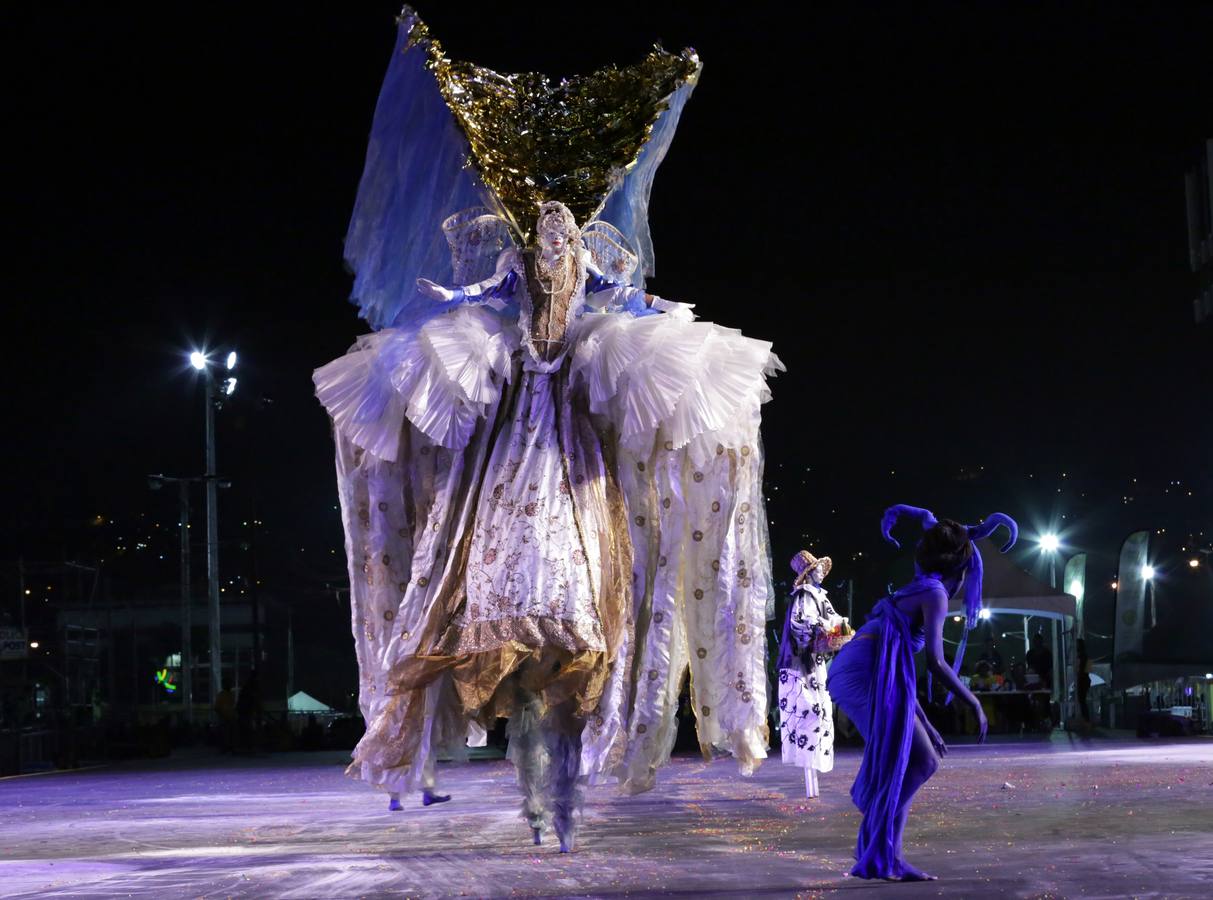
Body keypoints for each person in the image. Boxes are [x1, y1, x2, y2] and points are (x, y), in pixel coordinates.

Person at [314, 8, 780, 854]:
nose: (557, 242)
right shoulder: (513, 261)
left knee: (597, 539)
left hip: (560, 405)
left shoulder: (587, 257)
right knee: (488, 531)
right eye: (549, 234)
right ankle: (534, 772)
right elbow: (479, 295)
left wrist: (661, 310)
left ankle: (556, 780)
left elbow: (622, 294)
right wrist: (448, 301)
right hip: (526, 403)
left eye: (567, 232)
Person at [828, 504, 1017, 881]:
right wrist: (975, 701)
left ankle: (884, 853)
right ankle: (879, 850)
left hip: (864, 670)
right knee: (920, 762)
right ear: (963, 569)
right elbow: (935, 662)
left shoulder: (921, 589)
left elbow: (899, 669)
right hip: (860, 673)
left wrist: (925, 723)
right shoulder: (936, 594)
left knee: (914, 760)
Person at [776, 551, 850, 798]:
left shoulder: (818, 595)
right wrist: (825, 627)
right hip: (800, 663)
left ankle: (813, 772)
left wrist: (840, 625)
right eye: (816, 569)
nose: (820, 572)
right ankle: (809, 773)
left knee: (817, 711)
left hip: (813, 663)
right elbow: (802, 622)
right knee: (808, 711)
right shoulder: (805, 595)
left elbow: (832, 618)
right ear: (808, 574)